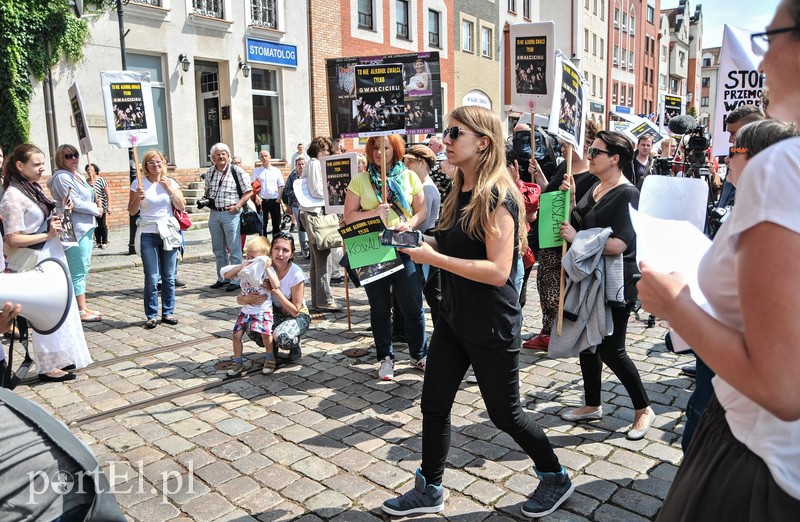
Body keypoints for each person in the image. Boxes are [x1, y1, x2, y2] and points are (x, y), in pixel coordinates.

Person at [639, 4, 800, 516]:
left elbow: (781, 386)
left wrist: (675, 302)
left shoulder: (783, 168)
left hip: (761, 462)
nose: (764, 59)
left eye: (771, 37)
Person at [383, 106, 573, 518]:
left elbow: (498, 271)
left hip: (490, 322)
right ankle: (430, 487)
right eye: (447, 133)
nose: (446, 140)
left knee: (506, 414)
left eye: (455, 133)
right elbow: (452, 242)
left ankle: (555, 475)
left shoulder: (497, 196)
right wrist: (412, 232)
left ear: (482, 142)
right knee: (433, 405)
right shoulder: (458, 189)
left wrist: (433, 258)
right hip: (454, 317)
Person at [557, 131, 655, 440]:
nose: (589, 155)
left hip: (616, 281)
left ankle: (643, 409)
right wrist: (572, 200)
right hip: (591, 277)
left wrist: (578, 239)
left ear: (614, 158)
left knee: (613, 349)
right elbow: (584, 222)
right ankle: (592, 404)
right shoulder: (597, 187)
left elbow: (619, 245)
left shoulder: (628, 193)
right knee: (588, 343)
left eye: (595, 152)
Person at [0, 144, 91, 382]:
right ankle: (48, 367)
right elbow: (12, 238)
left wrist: (61, 212)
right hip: (36, 260)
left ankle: (61, 359)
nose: (42, 169)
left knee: (60, 310)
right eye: (36, 164)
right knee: (46, 313)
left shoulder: (31, 189)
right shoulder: (13, 195)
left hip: (51, 256)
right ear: (20, 166)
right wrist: (47, 235)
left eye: (43, 163)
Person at [344, 134, 428, 381]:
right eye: (375, 147)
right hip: (373, 248)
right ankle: (385, 357)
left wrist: (408, 223)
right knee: (380, 307)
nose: (380, 152)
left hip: (402, 246)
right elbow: (349, 216)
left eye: (386, 147)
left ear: (396, 149)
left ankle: (418, 354)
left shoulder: (409, 176)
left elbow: (422, 211)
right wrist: (373, 213)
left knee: (413, 305)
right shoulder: (360, 180)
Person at [525, 121, 598, 351]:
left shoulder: (592, 176)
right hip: (549, 234)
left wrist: (573, 196)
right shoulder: (564, 165)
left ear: (584, 144)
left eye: (569, 142)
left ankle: (556, 333)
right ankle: (548, 329)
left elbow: (582, 212)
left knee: (559, 289)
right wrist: (539, 177)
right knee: (545, 284)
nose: (564, 146)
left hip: (566, 240)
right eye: (564, 142)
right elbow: (550, 194)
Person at [128, 150, 185, 329]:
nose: (155, 165)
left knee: (168, 277)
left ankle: (168, 312)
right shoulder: (138, 183)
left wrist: (169, 189)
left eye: (158, 162)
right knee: (152, 278)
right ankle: (151, 315)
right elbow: (131, 211)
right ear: (145, 165)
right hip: (148, 233)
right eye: (151, 162)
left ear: (164, 163)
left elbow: (181, 206)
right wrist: (138, 198)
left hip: (167, 232)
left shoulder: (171, 182)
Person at [221, 236, 277, 377]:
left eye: (253, 257)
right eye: (248, 255)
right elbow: (227, 275)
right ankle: (238, 362)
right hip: (246, 309)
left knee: (266, 334)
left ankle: (270, 358)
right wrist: (242, 265)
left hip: (262, 309)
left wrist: (268, 268)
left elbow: (276, 285)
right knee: (236, 335)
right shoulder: (245, 270)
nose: (249, 258)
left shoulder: (264, 270)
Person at [204, 143, 252, 292]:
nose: (221, 156)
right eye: (217, 154)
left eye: (224, 153)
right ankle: (223, 277)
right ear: (212, 158)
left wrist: (237, 206)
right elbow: (207, 192)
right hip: (214, 213)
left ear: (228, 156)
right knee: (218, 249)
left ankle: (236, 280)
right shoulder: (210, 172)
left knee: (234, 248)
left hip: (231, 214)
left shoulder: (236, 171)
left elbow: (248, 191)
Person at [298, 136, 339, 311]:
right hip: (316, 213)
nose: (327, 153)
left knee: (318, 259)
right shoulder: (314, 163)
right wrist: (334, 194)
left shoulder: (312, 163)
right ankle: (325, 299)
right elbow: (316, 190)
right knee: (324, 256)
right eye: (325, 150)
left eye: (328, 150)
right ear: (317, 150)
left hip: (313, 213)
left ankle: (318, 299)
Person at [402, 144, 441, 324]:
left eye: (409, 162)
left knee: (431, 294)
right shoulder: (425, 185)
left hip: (423, 240)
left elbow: (422, 222)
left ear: (422, 162)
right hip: (425, 240)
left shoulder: (425, 188)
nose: (406, 166)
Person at [267, 232, 311, 363]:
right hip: (274, 313)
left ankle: (295, 345)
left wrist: (275, 290)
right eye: (276, 248)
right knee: (253, 327)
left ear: (292, 254)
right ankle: (271, 349)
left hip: (296, 316)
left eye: (285, 250)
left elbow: (295, 310)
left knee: (284, 338)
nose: (280, 254)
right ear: (271, 250)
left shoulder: (296, 274)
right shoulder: (265, 269)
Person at [252, 149, 284, 236]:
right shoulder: (256, 171)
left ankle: (275, 244)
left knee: (276, 225)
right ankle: (264, 246)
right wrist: (257, 197)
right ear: (259, 159)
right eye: (262, 156)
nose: (264, 158)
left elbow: (280, 186)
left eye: (266, 156)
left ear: (270, 157)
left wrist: (279, 198)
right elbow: (253, 186)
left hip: (274, 200)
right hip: (262, 201)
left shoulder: (276, 171)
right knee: (262, 225)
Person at [86, 163, 111, 249]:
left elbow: (107, 193)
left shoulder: (100, 180)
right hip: (92, 206)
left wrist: (109, 206)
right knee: (95, 224)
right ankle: (98, 241)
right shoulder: (86, 182)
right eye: (88, 170)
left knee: (102, 224)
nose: (89, 172)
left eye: (91, 170)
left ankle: (104, 241)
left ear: (95, 171)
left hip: (101, 205)